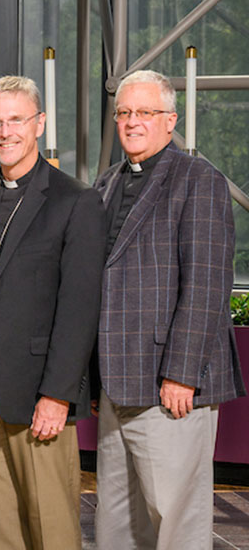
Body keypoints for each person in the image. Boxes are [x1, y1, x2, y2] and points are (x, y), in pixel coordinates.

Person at [0, 76, 106, 550]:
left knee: (51, 522)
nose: (5, 132)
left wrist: (58, 394)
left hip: (40, 385)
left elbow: (80, 307)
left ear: (38, 123)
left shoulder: (74, 200)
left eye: (16, 119)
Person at [93, 69, 244, 550]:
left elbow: (206, 283)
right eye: (124, 112)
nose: (133, 122)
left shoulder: (199, 180)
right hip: (117, 383)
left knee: (176, 520)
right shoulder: (105, 184)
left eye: (145, 112)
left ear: (170, 119)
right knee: (117, 522)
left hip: (168, 384)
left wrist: (182, 373)